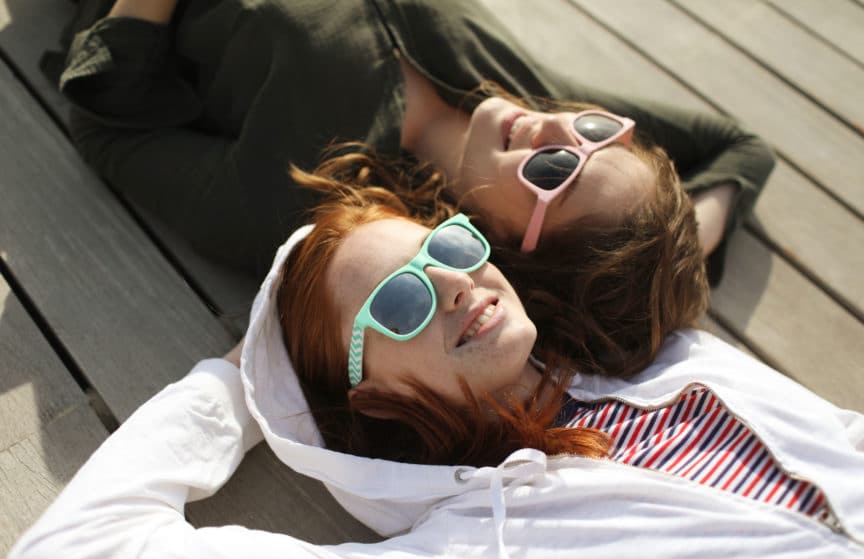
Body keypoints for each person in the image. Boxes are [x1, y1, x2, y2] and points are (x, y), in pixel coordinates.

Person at [7, 168, 863, 559]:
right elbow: (73, 557)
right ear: (372, 395)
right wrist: (235, 385)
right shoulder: (467, 553)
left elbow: (714, 158)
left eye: (445, 248)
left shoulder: (644, 342)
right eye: (402, 303)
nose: (456, 285)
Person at [61, 0, 775, 283]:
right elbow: (741, 146)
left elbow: (107, 123)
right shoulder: (530, 99)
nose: (559, 130)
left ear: (503, 244)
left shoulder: (293, 198)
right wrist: (666, 252)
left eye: (557, 171)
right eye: (597, 137)